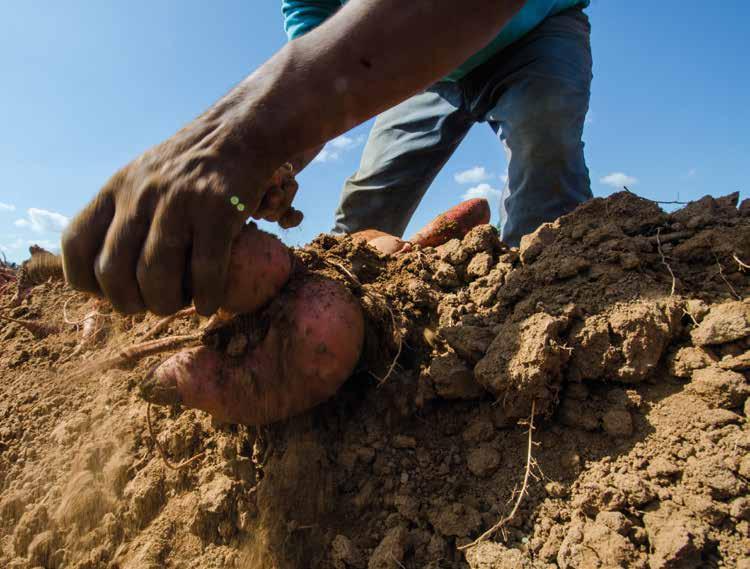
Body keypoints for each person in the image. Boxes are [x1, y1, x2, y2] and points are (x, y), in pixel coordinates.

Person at [62, 0, 592, 317]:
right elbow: (318, 82)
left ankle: (553, 304)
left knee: (546, 146)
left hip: (536, 32)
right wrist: (276, 160)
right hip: (430, 71)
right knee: (367, 203)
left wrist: (236, 136)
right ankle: (346, 305)